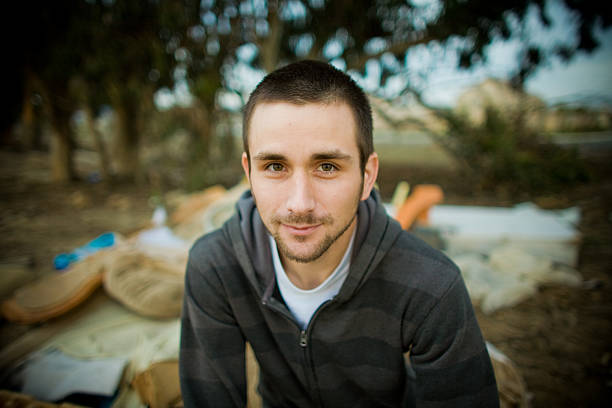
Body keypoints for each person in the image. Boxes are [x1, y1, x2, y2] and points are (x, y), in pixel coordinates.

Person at [179, 60, 499, 407]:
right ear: (249, 172)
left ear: (368, 175)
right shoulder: (215, 267)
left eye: (327, 166)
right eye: (274, 166)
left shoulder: (431, 285)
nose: (299, 204)